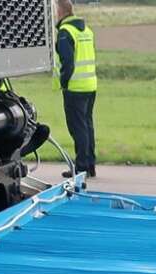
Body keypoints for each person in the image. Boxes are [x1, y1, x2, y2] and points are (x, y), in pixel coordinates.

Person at [54, 0, 98, 179]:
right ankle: (90, 165)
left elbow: (68, 63)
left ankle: (81, 168)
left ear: (61, 12)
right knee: (87, 126)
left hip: (75, 87)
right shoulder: (86, 30)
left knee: (78, 128)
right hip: (90, 85)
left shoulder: (66, 32)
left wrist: (64, 83)